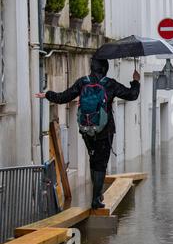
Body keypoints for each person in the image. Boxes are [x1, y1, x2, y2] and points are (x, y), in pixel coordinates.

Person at [35, 58, 141, 209]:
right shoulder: (110, 84)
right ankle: (95, 199)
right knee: (101, 164)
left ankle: (97, 195)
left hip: (86, 130)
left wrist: (47, 95)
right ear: (105, 69)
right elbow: (132, 95)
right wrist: (136, 81)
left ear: (91, 68)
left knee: (93, 160)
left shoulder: (82, 82)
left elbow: (63, 97)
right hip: (105, 130)